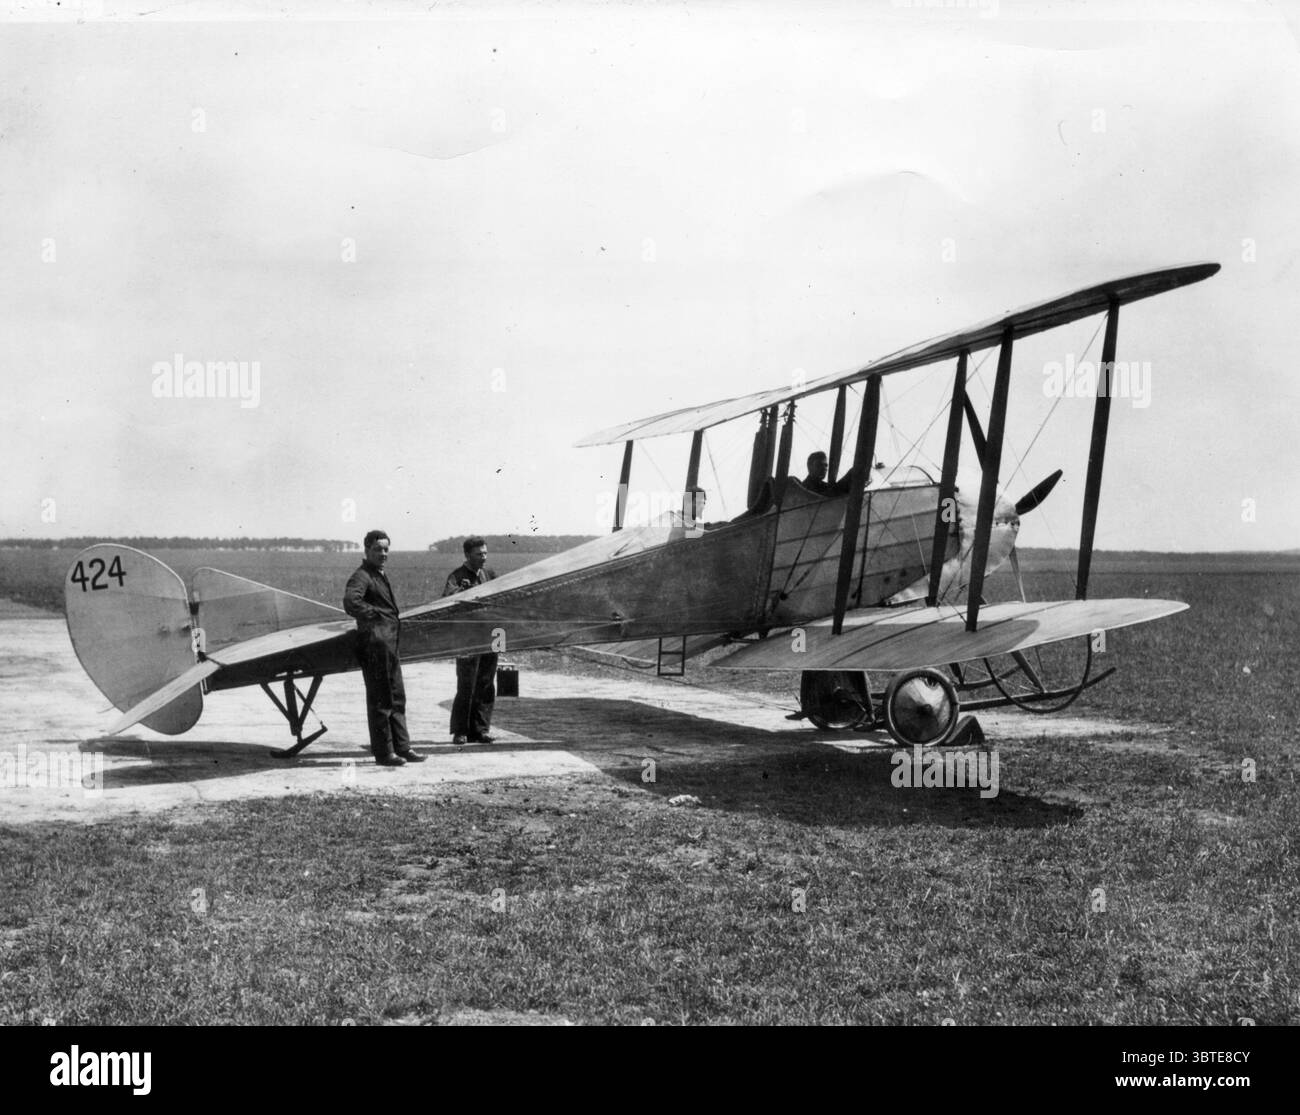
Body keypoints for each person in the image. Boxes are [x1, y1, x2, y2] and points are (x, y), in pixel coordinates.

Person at [344, 530, 424, 766]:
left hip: (389, 645)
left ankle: (403, 747)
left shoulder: (378, 575)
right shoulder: (362, 576)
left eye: (386, 549)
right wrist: (375, 617)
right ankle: (384, 753)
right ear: (366, 550)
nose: (383, 553)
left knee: (397, 697)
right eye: (378, 549)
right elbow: (351, 601)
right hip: (375, 645)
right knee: (381, 700)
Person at [443, 536, 498, 745]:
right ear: (467, 555)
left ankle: (481, 729)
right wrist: (460, 592)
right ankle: (460, 731)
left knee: (486, 683)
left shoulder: (490, 575)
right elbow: (446, 600)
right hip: (466, 639)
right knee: (467, 684)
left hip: (490, 637)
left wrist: (499, 643)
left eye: (485, 553)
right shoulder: (456, 577)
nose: (483, 557)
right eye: (479, 554)